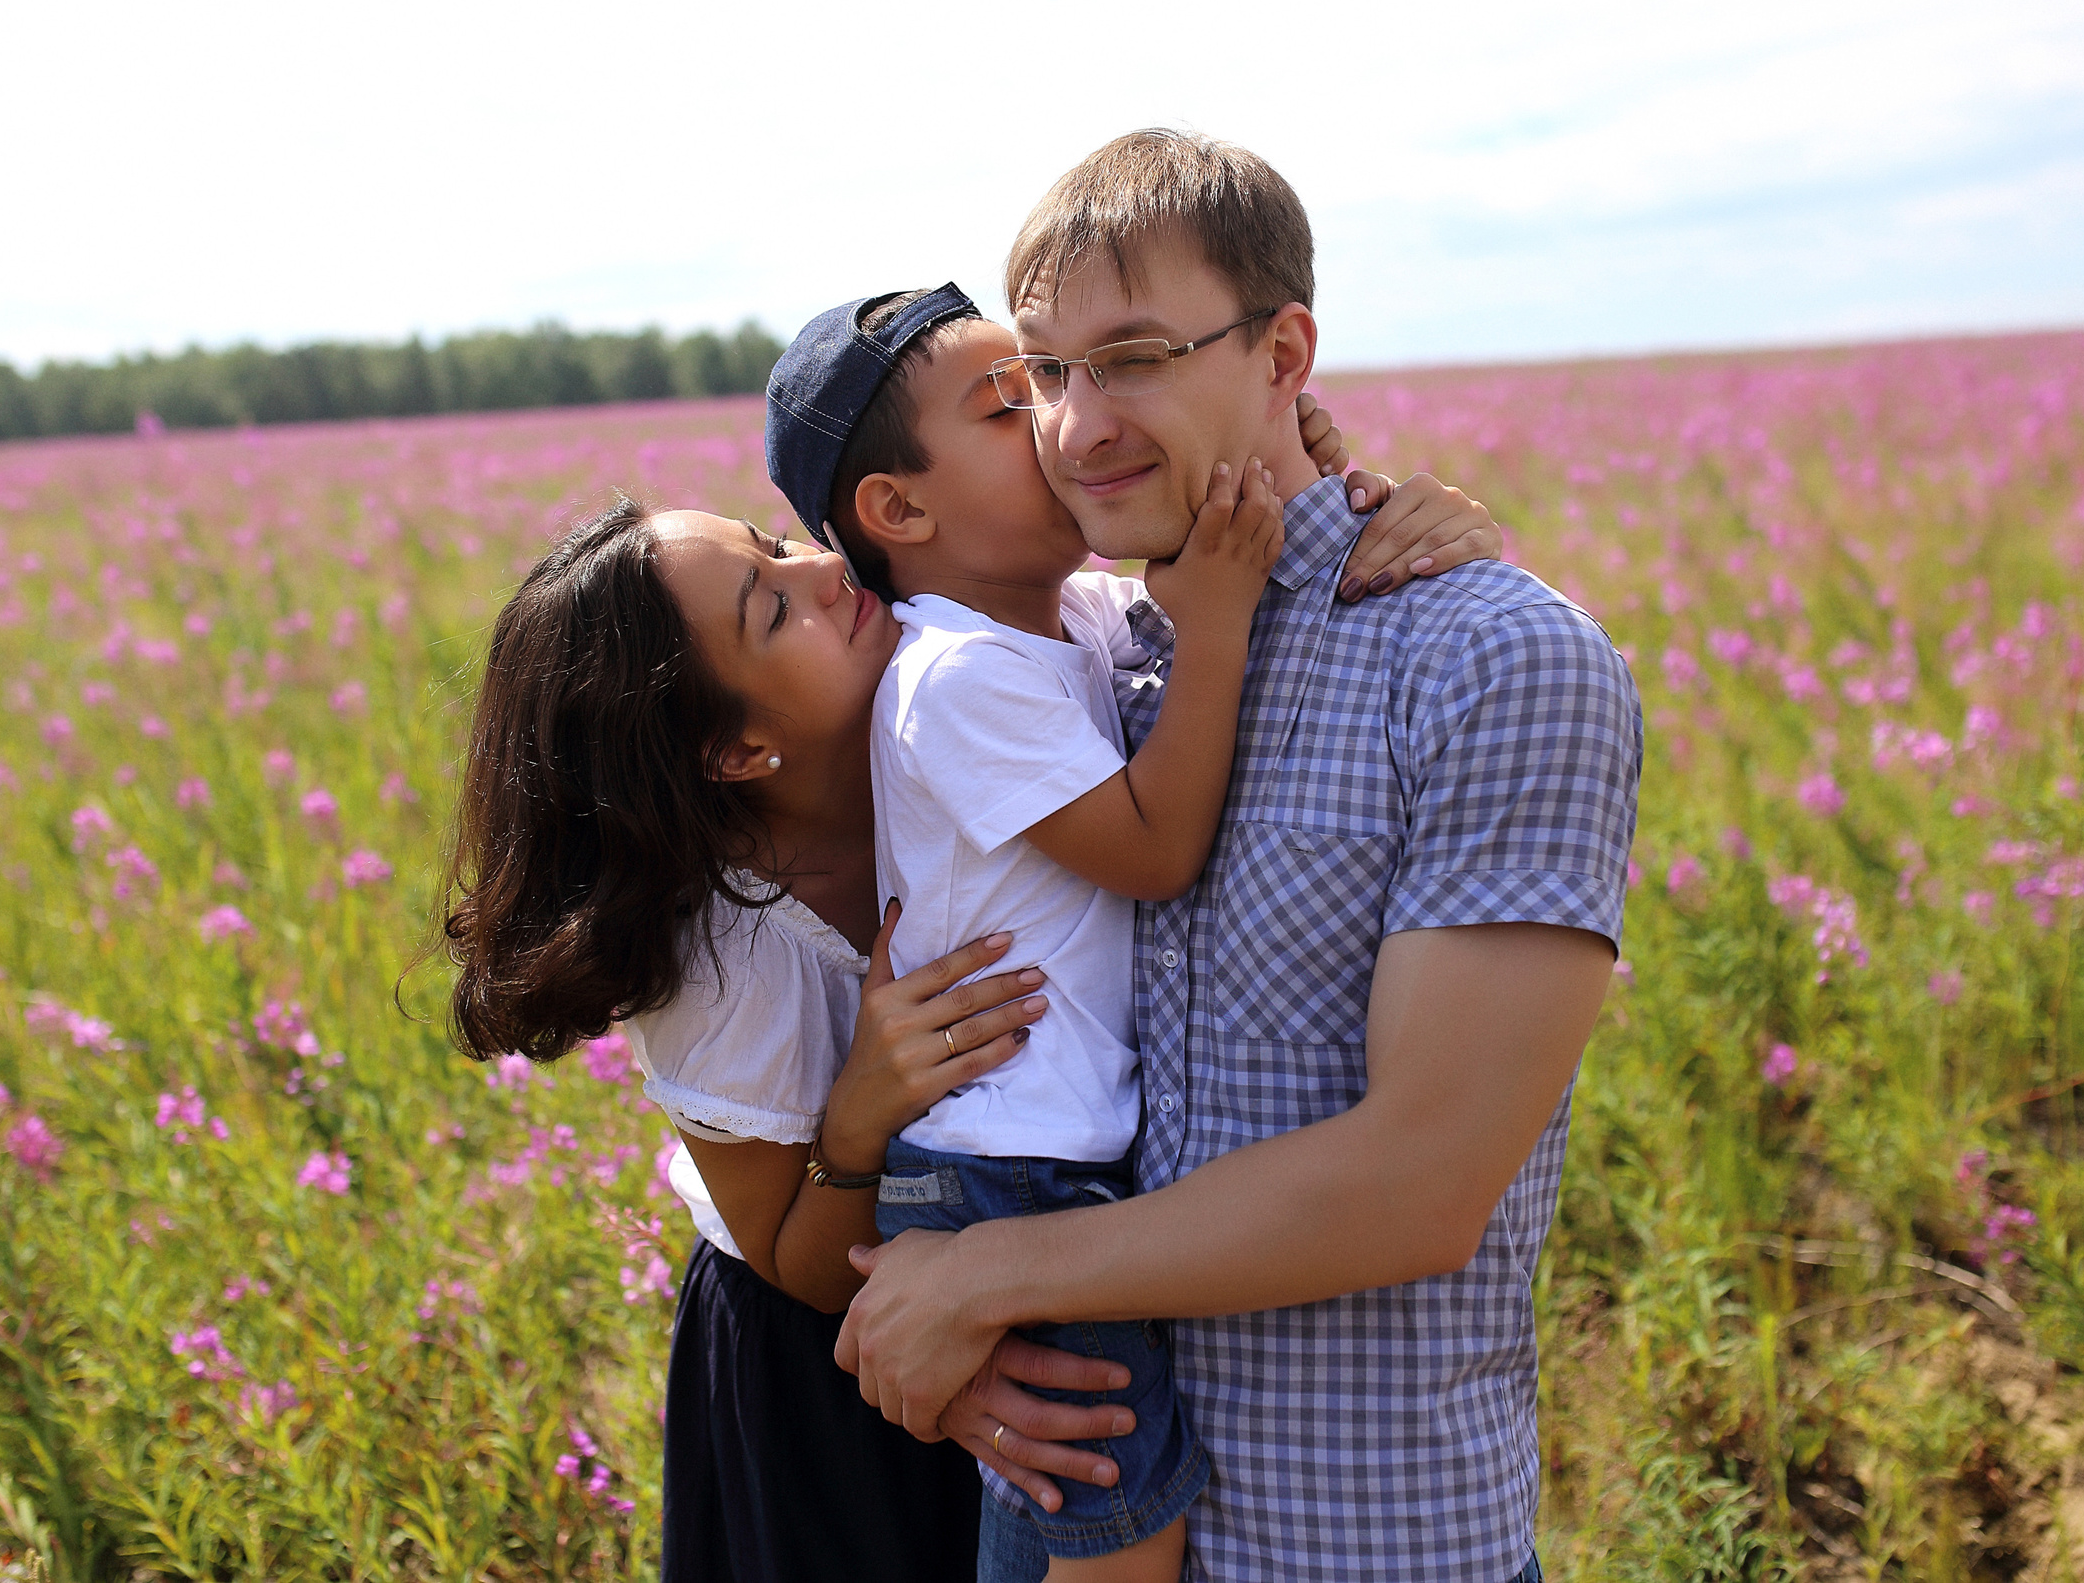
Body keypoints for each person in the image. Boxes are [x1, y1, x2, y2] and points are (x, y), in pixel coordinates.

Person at [434, 310, 1503, 1580]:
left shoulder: (1002, 650)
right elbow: (793, 1263)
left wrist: (1386, 513)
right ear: (737, 751)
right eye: (771, 608)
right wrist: (860, 1116)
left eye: (776, 542)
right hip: (821, 1363)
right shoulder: (718, 949)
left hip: (997, 1259)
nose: (821, 569)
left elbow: (1229, 572)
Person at [832, 130, 1646, 1583]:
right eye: (1044, 373)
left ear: (1285, 356)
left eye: (1135, 358)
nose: (1078, 426)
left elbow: (1421, 1182)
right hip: (1069, 1505)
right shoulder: (1093, 661)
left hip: (1356, 1544)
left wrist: (978, 1278)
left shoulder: (1492, 659)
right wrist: (879, 1162)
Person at [760, 286, 1288, 1580]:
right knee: (1117, 1524)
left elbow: (1211, 521)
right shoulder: (956, 676)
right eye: (1012, 404)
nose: (1063, 422)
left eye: (1053, 378)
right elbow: (1155, 850)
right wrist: (1218, 626)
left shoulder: (1072, 616)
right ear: (900, 511)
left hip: (1033, 1154)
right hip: (1009, 1169)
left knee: (1056, 1517)